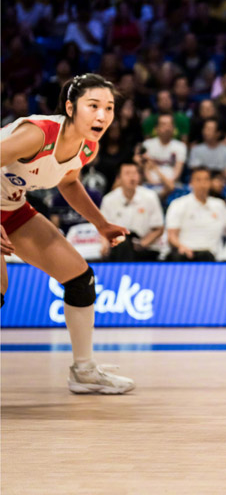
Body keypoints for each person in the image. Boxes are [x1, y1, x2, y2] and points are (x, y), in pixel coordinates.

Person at [1, 73, 134, 393]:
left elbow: (69, 181)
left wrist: (101, 224)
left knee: (80, 277)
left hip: (12, 208)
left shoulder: (88, 147)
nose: (102, 115)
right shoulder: (38, 134)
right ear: (71, 107)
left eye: (109, 108)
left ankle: (84, 372)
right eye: (93, 106)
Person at [165, 167, 226, 262]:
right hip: (185, 252)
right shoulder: (178, 204)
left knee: (206, 256)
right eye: (198, 180)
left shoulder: (218, 205)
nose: (202, 184)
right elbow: (172, 236)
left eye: (206, 179)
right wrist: (181, 247)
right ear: (191, 183)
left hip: (211, 254)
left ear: (210, 182)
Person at [99, 161, 165, 262]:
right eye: (127, 173)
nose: (132, 177)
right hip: (118, 246)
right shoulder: (109, 199)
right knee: (123, 245)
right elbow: (103, 228)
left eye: (135, 173)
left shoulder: (150, 196)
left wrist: (143, 244)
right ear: (119, 178)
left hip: (145, 247)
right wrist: (104, 246)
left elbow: (158, 228)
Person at [139, 113, 187, 197]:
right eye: (163, 124)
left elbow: (178, 171)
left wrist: (167, 184)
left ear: (174, 128)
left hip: (173, 185)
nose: (167, 128)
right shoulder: (147, 145)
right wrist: (155, 183)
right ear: (156, 128)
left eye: (170, 125)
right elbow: (146, 172)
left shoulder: (181, 146)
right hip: (151, 185)